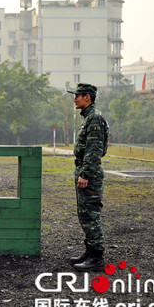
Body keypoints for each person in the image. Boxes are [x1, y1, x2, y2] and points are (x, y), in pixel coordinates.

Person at [67, 83, 109, 272]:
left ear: (87, 98)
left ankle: (97, 258)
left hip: (89, 174)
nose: (75, 99)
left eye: (78, 95)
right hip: (86, 170)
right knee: (84, 215)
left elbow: (94, 151)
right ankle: (90, 251)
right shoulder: (89, 118)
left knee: (91, 215)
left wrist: (85, 174)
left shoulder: (94, 119)